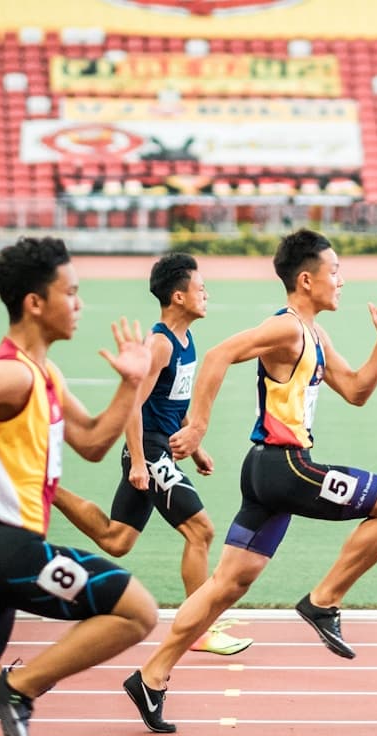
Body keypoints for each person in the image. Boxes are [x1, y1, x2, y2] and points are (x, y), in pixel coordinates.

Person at [123, 228, 377, 733]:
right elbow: (217, 356)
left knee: (224, 586)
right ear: (306, 280)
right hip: (286, 468)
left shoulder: (316, 334)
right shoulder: (284, 329)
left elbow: (357, 390)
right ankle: (323, 602)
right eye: (335, 272)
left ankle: (151, 676)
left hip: (267, 474)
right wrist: (197, 425)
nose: (342, 281)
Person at [0, 235, 159, 736]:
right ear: (35, 303)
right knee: (137, 611)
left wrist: (131, 384)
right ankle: (19, 688)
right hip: (10, 551)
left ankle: (10, 687)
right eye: (71, 293)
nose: (79, 304)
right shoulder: (10, 373)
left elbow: (96, 443)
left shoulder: (45, 373)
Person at [52, 252, 252, 656]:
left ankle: (49, 488)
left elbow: (170, 405)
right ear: (178, 297)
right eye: (200, 288)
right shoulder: (159, 345)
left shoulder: (186, 339)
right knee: (201, 531)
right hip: (150, 450)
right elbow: (132, 406)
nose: (206, 294)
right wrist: (141, 461)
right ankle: (197, 628)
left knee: (118, 539)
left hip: (163, 448)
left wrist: (197, 449)